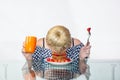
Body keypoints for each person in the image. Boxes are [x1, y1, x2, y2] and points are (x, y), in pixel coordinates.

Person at [22, 25, 91, 80]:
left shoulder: (76, 46)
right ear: (47, 42)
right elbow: (29, 70)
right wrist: (29, 58)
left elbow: (83, 72)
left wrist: (82, 58)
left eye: (63, 48)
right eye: (54, 48)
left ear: (69, 42)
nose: (58, 52)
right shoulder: (40, 45)